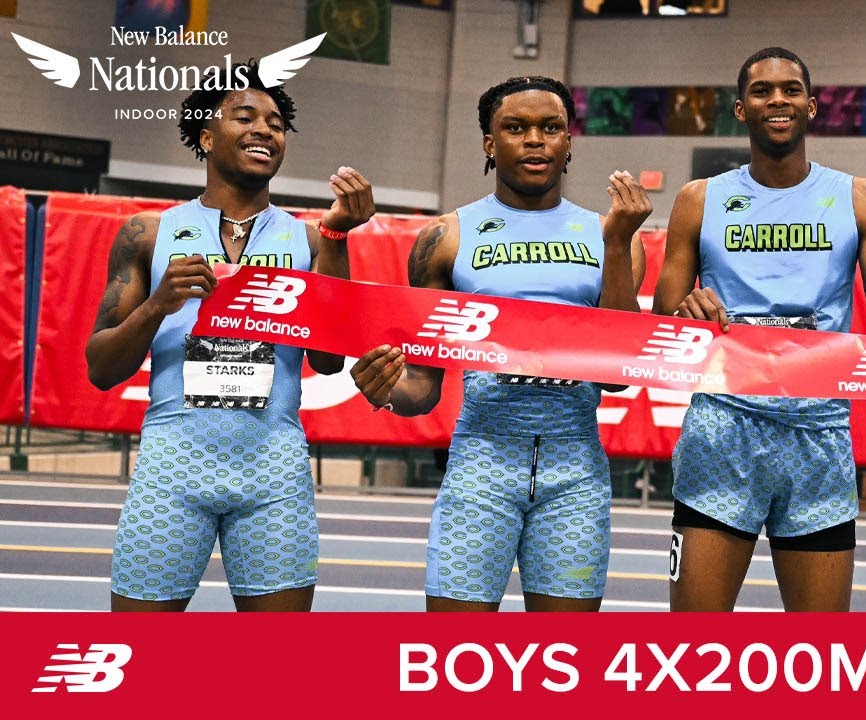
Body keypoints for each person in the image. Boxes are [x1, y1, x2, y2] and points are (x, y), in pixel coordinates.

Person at [349, 76, 649, 612]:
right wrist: (386, 388)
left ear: (568, 142)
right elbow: (422, 388)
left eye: (550, 127)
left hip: (575, 470)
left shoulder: (609, 235)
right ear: (490, 143)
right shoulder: (445, 239)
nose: (535, 139)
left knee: (563, 669)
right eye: (516, 127)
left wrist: (617, 243)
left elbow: (617, 374)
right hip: (480, 464)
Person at [86, 62, 376, 611]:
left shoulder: (311, 239)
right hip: (172, 467)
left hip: (274, 471)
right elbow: (101, 368)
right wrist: (158, 304)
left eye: (275, 122)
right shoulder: (148, 234)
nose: (265, 129)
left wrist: (337, 237)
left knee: (280, 671)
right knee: (139, 660)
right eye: (245, 116)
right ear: (205, 135)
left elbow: (331, 359)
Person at [652, 47, 866, 612]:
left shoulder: (859, 199)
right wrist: (688, 309)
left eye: (791, 90)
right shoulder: (699, 200)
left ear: (812, 105)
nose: (778, 99)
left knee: (819, 661)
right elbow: (661, 324)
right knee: (693, 650)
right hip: (724, 429)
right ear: (741, 109)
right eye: (762, 91)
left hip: (818, 434)